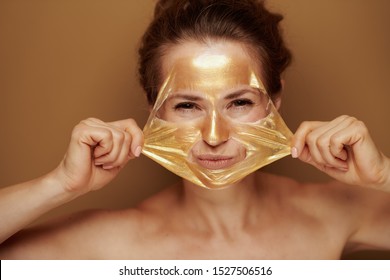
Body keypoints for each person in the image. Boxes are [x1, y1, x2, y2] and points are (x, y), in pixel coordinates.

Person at [1, 0, 390, 259]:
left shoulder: (334, 213)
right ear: (155, 108)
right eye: (187, 105)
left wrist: (384, 175)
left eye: (240, 102)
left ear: (275, 101)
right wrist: (60, 184)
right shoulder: (116, 241)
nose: (215, 135)